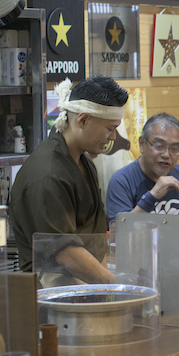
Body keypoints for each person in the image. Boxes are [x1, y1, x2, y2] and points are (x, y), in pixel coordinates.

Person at [10, 76, 127, 285]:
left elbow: (95, 238)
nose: (112, 137)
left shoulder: (84, 161)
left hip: (85, 288)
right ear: (82, 120)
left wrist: (105, 291)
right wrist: (116, 287)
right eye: (110, 128)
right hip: (51, 296)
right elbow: (67, 255)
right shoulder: (47, 174)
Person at [106, 113, 179, 220]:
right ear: (142, 144)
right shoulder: (122, 179)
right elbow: (117, 229)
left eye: (174, 148)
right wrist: (152, 196)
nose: (166, 155)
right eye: (159, 146)